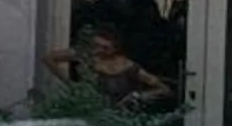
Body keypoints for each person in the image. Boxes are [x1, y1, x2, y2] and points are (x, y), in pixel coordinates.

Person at [44, 22, 172, 110]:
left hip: (119, 117)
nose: (99, 50)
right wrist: (69, 82)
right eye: (95, 45)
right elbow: (49, 58)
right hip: (89, 112)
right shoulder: (86, 55)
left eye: (105, 48)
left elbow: (164, 89)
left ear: (115, 47)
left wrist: (138, 96)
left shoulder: (128, 66)